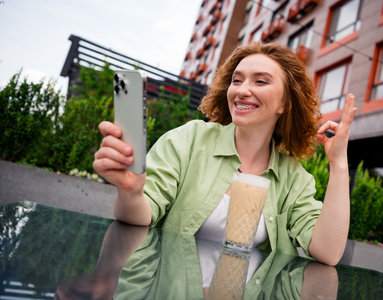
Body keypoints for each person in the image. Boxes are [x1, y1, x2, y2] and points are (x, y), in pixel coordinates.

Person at [93, 42, 357, 266]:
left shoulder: (294, 179)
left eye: (261, 81)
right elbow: (139, 215)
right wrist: (131, 192)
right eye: (237, 80)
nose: (242, 90)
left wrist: (339, 164)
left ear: (285, 103)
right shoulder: (189, 140)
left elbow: (328, 253)